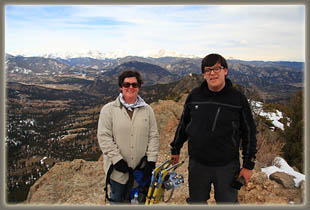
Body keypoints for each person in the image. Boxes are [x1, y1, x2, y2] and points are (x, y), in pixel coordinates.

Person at [170, 53, 257, 204]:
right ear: (203, 74)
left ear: (225, 71)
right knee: (197, 202)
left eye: (216, 68)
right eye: (207, 70)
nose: (212, 73)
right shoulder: (195, 96)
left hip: (227, 166)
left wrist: (248, 166)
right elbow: (184, 124)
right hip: (198, 164)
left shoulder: (237, 98)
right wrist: (175, 148)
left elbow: (249, 132)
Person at [97, 70, 159, 204]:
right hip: (117, 172)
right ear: (121, 87)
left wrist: (151, 160)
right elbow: (104, 137)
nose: (130, 88)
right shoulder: (108, 110)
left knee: (138, 200)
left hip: (140, 170)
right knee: (117, 201)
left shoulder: (147, 110)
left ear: (139, 87)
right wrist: (116, 159)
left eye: (134, 85)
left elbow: (153, 136)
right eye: (127, 85)